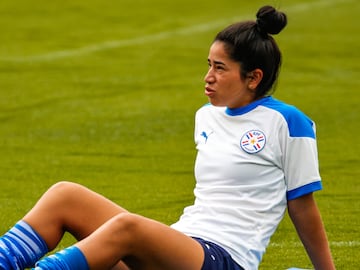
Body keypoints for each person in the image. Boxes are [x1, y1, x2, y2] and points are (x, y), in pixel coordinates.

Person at [0, 5, 335, 270]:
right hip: (181, 247)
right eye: (208, 65)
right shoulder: (206, 116)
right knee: (65, 195)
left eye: (220, 68)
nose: (208, 77)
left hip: (225, 259)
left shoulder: (289, 122)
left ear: (253, 78)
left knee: (126, 227)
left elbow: (302, 206)